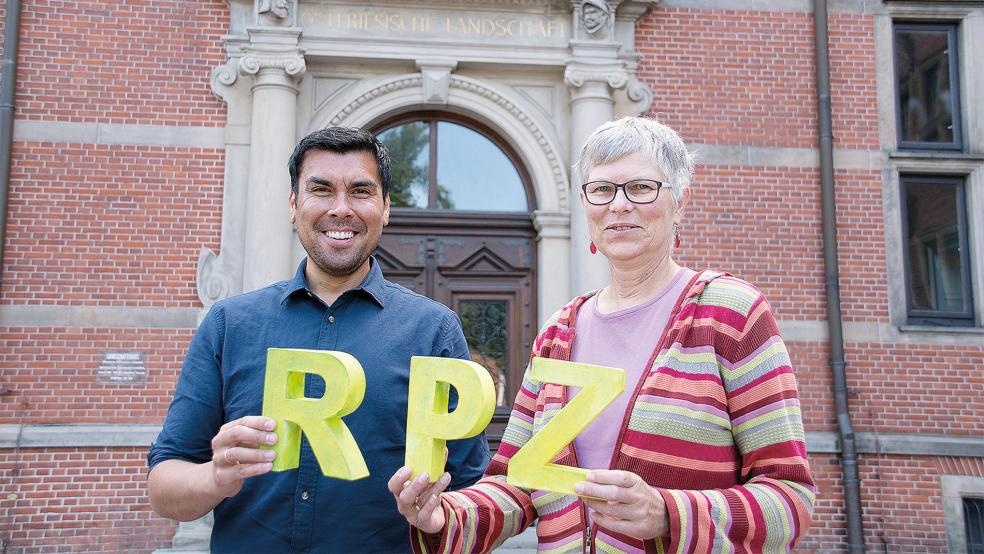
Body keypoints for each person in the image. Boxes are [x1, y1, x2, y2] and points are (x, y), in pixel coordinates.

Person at [390, 117, 815, 553]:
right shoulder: (559, 331)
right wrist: (447, 515)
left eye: (641, 188)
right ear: (585, 204)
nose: (619, 205)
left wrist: (668, 513)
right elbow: (515, 484)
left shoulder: (729, 312)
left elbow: (789, 498)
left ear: (681, 202)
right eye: (602, 190)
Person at [147, 127, 490, 553]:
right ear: (294, 205)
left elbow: (475, 494)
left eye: (361, 191)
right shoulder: (229, 324)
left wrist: (441, 516)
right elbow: (164, 488)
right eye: (321, 190)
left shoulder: (433, 330)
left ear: (385, 208)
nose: (341, 209)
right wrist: (215, 477)